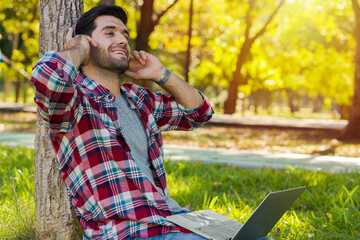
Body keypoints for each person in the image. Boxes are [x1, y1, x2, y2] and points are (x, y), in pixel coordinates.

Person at [31, 4, 213, 240]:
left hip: (170, 220)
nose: (122, 40)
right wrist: (78, 49)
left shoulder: (139, 98)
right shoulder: (73, 103)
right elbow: (47, 76)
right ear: (86, 43)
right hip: (127, 233)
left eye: (124, 35)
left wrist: (161, 74)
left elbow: (199, 113)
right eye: (110, 33)